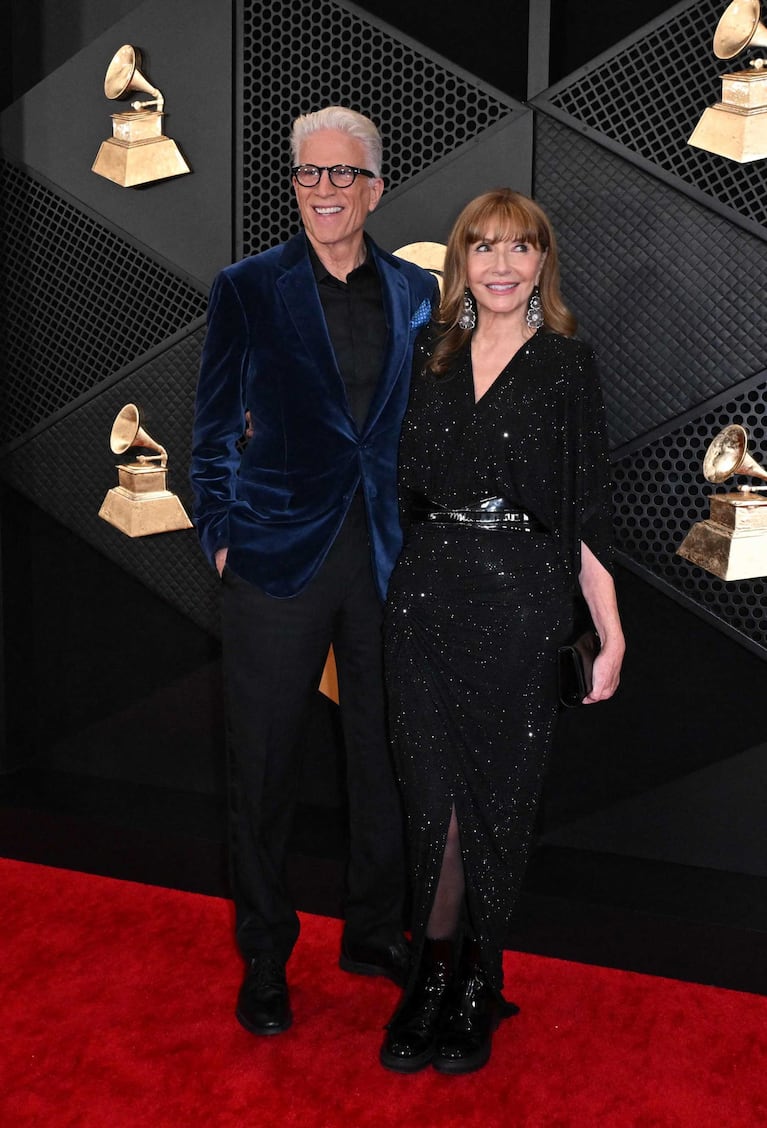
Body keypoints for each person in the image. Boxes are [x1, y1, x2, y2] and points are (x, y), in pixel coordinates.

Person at [190, 106, 438, 1037]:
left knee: (383, 761)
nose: (325, 190)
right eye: (309, 174)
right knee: (261, 767)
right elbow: (210, 430)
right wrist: (222, 532)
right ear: (292, 184)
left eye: (343, 175)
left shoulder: (417, 293)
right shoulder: (247, 288)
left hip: (385, 561)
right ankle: (264, 957)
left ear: (375, 187)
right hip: (275, 560)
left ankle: (374, 933)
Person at [380, 189, 624, 1075]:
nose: (498, 263)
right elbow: (393, 478)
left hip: (521, 603)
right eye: (481, 247)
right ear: (460, 262)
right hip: (426, 599)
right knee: (432, 801)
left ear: (540, 264)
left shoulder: (566, 365)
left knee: (496, 805)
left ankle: (478, 981)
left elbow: (586, 506)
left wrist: (608, 627)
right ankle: (431, 976)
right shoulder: (428, 355)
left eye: (518, 248)